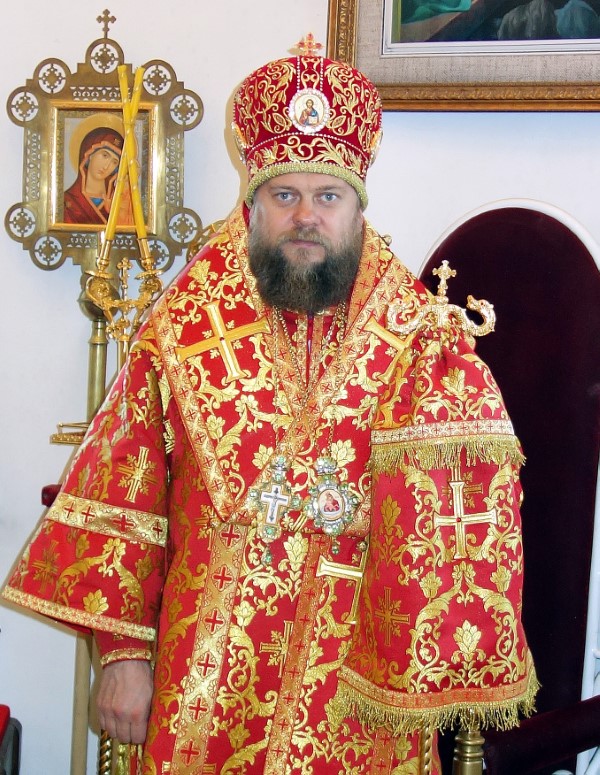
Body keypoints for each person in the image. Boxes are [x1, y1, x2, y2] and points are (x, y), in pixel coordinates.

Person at [4, 42, 538, 773]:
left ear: (357, 208)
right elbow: (122, 490)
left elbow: (461, 515)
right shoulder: (182, 327)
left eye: (327, 197)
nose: (305, 217)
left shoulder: (420, 336)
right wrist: (123, 653)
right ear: (252, 204)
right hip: (208, 671)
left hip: (357, 680)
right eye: (285, 195)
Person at [64, 124, 134, 226]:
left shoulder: (121, 202)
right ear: (89, 154)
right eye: (105, 155)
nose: (107, 166)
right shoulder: (67, 201)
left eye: (114, 162)